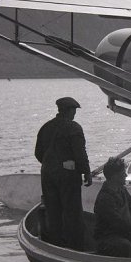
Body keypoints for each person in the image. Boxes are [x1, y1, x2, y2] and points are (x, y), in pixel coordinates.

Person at [34, 96, 92, 249]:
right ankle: (77, 248)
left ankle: (55, 246)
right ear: (69, 111)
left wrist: (50, 166)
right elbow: (80, 153)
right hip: (67, 176)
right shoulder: (74, 128)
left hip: (47, 174)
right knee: (73, 212)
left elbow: (38, 153)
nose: (75, 114)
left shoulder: (45, 127)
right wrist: (86, 172)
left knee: (53, 211)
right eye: (74, 110)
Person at [93, 157, 131, 257]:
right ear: (115, 176)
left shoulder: (121, 190)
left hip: (123, 233)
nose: (126, 175)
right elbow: (119, 223)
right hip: (108, 238)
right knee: (125, 246)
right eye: (123, 173)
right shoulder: (105, 199)